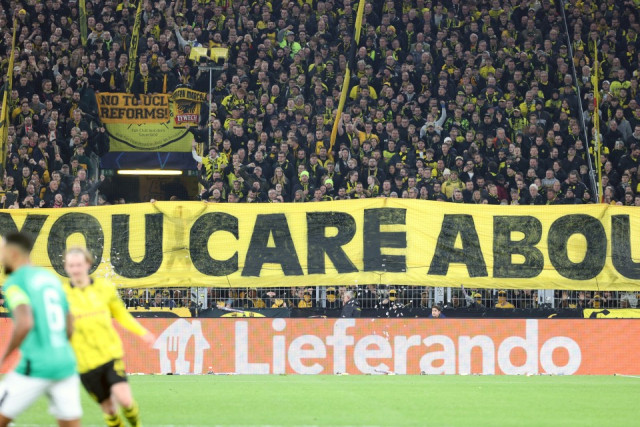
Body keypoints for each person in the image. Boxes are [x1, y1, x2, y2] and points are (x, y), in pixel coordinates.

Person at [63, 247, 156, 427]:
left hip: (110, 355)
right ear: (66, 267)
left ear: (88, 264)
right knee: (110, 410)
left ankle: (136, 424)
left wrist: (142, 332)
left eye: (79, 265)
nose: (75, 269)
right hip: (84, 362)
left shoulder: (104, 288)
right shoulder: (62, 295)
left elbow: (121, 314)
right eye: (71, 265)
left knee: (125, 401)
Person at [0, 233, 81, 427]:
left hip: (35, 365)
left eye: (2, 252)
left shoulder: (15, 282)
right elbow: (70, 324)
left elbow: (25, 323)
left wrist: (3, 357)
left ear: (13, 253)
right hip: (65, 363)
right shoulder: (50, 279)